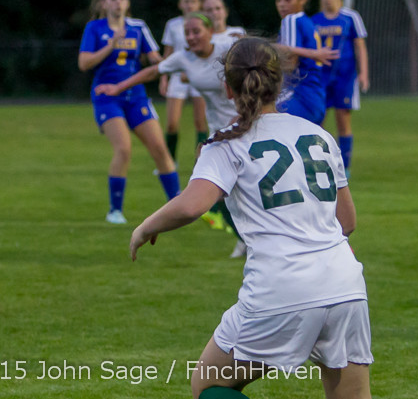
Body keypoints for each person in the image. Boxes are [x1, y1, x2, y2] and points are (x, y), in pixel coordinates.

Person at [130, 37, 372, 399]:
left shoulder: (225, 143)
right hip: (345, 286)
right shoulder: (319, 135)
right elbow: (347, 221)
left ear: (227, 88)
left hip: (281, 288)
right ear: (280, 83)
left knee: (208, 385)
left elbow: (192, 205)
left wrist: (145, 227)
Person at [95, 13, 246, 256]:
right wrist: (118, 87)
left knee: (232, 189)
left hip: (246, 124)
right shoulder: (184, 58)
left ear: (210, 32)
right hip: (220, 132)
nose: (191, 36)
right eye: (187, 32)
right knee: (220, 193)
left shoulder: (228, 47)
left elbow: (262, 57)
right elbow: (152, 72)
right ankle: (245, 238)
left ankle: (254, 238)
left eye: (196, 31)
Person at [78, 0, 180, 224]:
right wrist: (110, 46)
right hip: (106, 96)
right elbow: (84, 63)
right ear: (104, 3)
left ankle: (177, 205)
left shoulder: (138, 27)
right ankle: (115, 211)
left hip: (136, 96)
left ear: (128, 3)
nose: (118, 2)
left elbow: (156, 59)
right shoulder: (95, 28)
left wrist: (166, 70)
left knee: (160, 149)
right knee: (123, 149)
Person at [312, 0, 369, 175]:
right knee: (317, 120)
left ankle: (344, 167)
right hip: (321, 79)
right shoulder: (315, 20)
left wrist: (363, 74)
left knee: (343, 121)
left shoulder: (350, 17)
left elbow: (360, 47)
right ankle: (316, 162)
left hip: (345, 78)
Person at [273, 0, 336, 125]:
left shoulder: (291, 20)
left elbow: (289, 63)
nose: (282, 4)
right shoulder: (307, 22)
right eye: (278, 0)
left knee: (253, 118)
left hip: (298, 94)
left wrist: (263, 48)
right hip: (315, 96)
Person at [160, 0, 208, 165]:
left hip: (199, 76)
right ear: (180, 4)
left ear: (199, 3)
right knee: (172, 123)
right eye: (186, 1)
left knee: (200, 123)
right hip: (178, 78)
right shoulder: (173, 24)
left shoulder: (205, 23)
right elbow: (168, 54)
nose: (189, 5)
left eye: (193, 1)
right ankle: (169, 162)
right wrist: (164, 78)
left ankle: (200, 163)